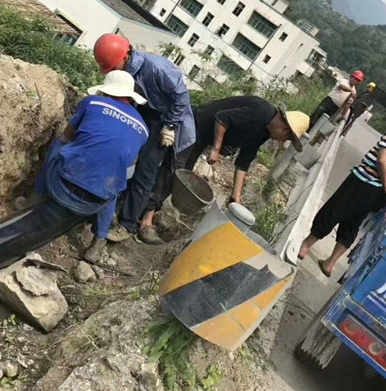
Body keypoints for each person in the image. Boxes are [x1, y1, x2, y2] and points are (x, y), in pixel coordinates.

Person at [138, 97, 312, 243]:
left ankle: (153, 210)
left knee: (181, 176)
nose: (282, 141)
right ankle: (145, 222)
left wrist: (236, 197)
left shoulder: (263, 132)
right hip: (196, 124)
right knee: (174, 171)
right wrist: (216, 148)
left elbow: (243, 162)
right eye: (286, 138)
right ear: (285, 129)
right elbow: (222, 119)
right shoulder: (260, 112)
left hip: (203, 136)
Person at [297, 87, 386, 275]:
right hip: (379, 193)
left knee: (334, 210)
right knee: (353, 222)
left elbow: (382, 160)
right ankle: (330, 263)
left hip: (363, 181)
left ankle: (305, 246)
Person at [34, 70, 149, 263]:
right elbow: (131, 162)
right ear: (130, 97)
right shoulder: (144, 129)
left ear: (106, 90)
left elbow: (67, 135)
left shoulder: (93, 102)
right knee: (116, 179)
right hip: (94, 203)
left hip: (60, 187)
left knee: (59, 144)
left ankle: (35, 197)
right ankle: (98, 243)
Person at [92, 34, 196, 244]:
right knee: (122, 156)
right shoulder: (124, 71)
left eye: (113, 67)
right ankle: (105, 205)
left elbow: (182, 97)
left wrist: (169, 126)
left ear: (125, 56)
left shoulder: (157, 68)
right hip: (143, 112)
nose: (112, 72)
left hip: (165, 120)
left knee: (145, 171)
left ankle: (127, 224)